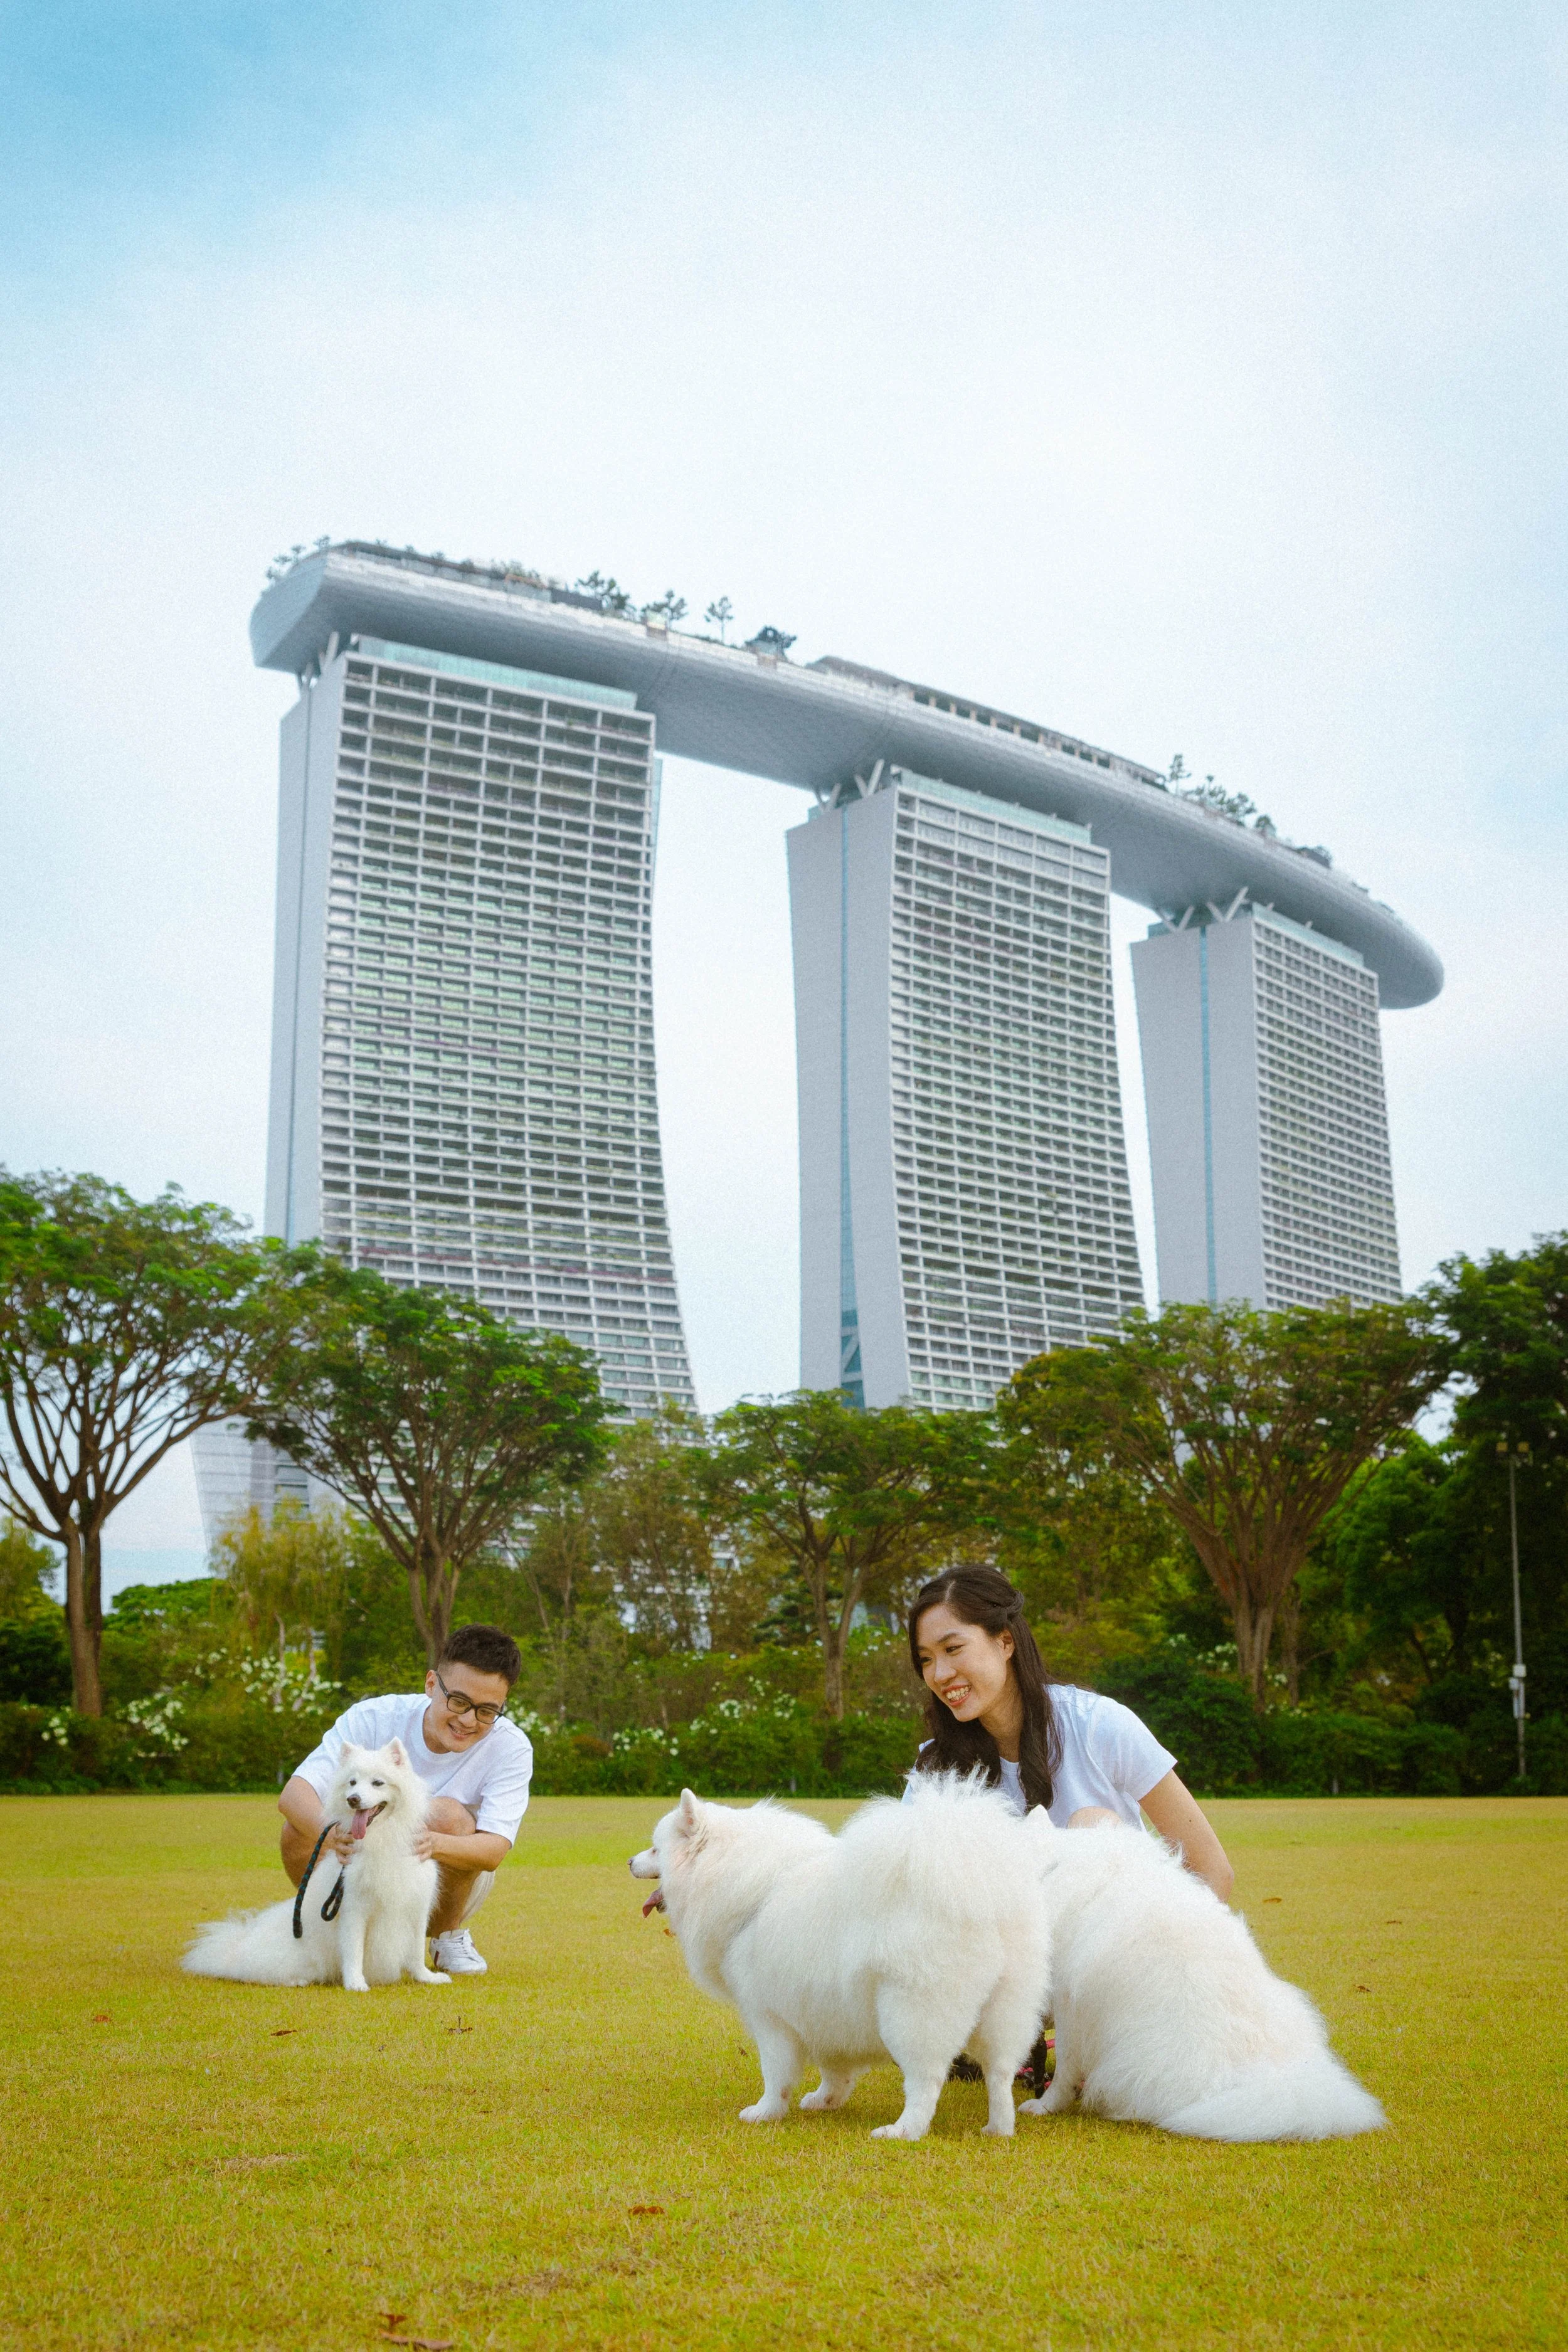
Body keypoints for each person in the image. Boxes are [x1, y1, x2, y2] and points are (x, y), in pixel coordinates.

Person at [908, 1564, 1234, 1903]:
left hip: (1113, 1929)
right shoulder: (936, 1768)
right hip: (1004, 1934)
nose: (940, 1674)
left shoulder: (1097, 1725)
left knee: (1093, 1825)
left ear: (1005, 1642)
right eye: (926, 1659)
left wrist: (1165, 1936)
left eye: (953, 1649)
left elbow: (1212, 1870)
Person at [277, 1623, 533, 1976]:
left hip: (445, 1872)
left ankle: (447, 1936)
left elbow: (493, 1851)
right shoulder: (373, 1717)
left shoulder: (512, 1747)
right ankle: (334, 1934)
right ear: (431, 1684)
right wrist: (334, 1834)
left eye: (487, 1711)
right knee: (299, 1831)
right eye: (458, 1701)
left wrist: (431, 1842)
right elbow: (293, 1794)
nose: (467, 1720)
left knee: (446, 1815)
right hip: (363, 1860)